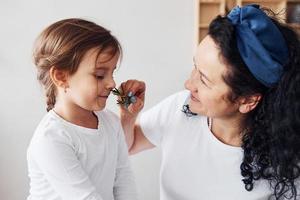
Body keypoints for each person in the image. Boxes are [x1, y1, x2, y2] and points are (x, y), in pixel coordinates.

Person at [119, 5, 300, 200]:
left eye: (204, 80)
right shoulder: (179, 108)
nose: (189, 84)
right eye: (195, 66)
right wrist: (128, 116)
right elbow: (127, 146)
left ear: (247, 100)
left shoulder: (286, 163)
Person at [27, 18, 137, 200]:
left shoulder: (110, 121)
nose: (112, 83)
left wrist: (128, 116)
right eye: (100, 75)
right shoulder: (51, 139)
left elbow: (124, 179)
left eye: (112, 73)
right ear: (61, 76)